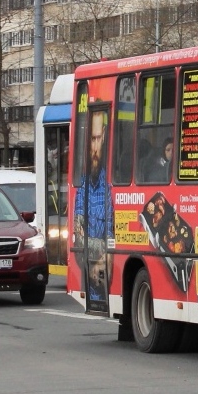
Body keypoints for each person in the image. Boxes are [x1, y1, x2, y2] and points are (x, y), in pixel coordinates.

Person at [74, 109, 112, 310]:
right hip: (89, 279)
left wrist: (106, 251)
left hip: (106, 280)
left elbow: (113, 236)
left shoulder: (111, 184)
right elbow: (79, 239)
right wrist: (105, 249)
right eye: (90, 140)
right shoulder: (81, 186)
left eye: (98, 139)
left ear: (104, 135)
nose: (94, 148)